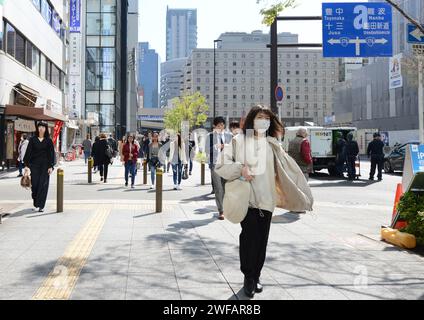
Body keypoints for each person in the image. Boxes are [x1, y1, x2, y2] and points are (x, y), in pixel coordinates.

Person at [215, 105, 313, 298]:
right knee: (249, 239)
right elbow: (221, 165)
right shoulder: (238, 140)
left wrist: (300, 194)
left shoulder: (272, 144)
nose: (264, 121)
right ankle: (248, 277)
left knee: (261, 241)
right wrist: (240, 169)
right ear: (252, 119)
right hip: (248, 200)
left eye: (267, 118)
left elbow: (286, 171)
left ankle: (256, 275)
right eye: (260, 117)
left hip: (267, 201)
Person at [23, 122, 55, 213]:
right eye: (39, 127)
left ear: (46, 129)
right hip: (34, 166)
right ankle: (36, 202)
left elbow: (51, 154)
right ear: (37, 128)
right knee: (35, 186)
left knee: (43, 185)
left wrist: (51, 166)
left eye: (43, 127)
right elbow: (28, 153)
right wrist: (26, 166)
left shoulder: (48, 140)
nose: (41, 128)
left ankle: (41, 206)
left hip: (45, 166)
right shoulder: (32, 140)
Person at [207, 117, 233, 220]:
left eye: (222, 125)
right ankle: (221, 210)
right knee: (218, 188)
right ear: (214, 126)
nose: (220, 127)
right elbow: (206, 150)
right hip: (215, 164)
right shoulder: (209, 136)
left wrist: (226, 146)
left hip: (227, 164)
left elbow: (234, 149)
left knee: (226, 187)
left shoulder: (229, 136)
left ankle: (226, 208)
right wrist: (215, 147)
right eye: (218, 125)